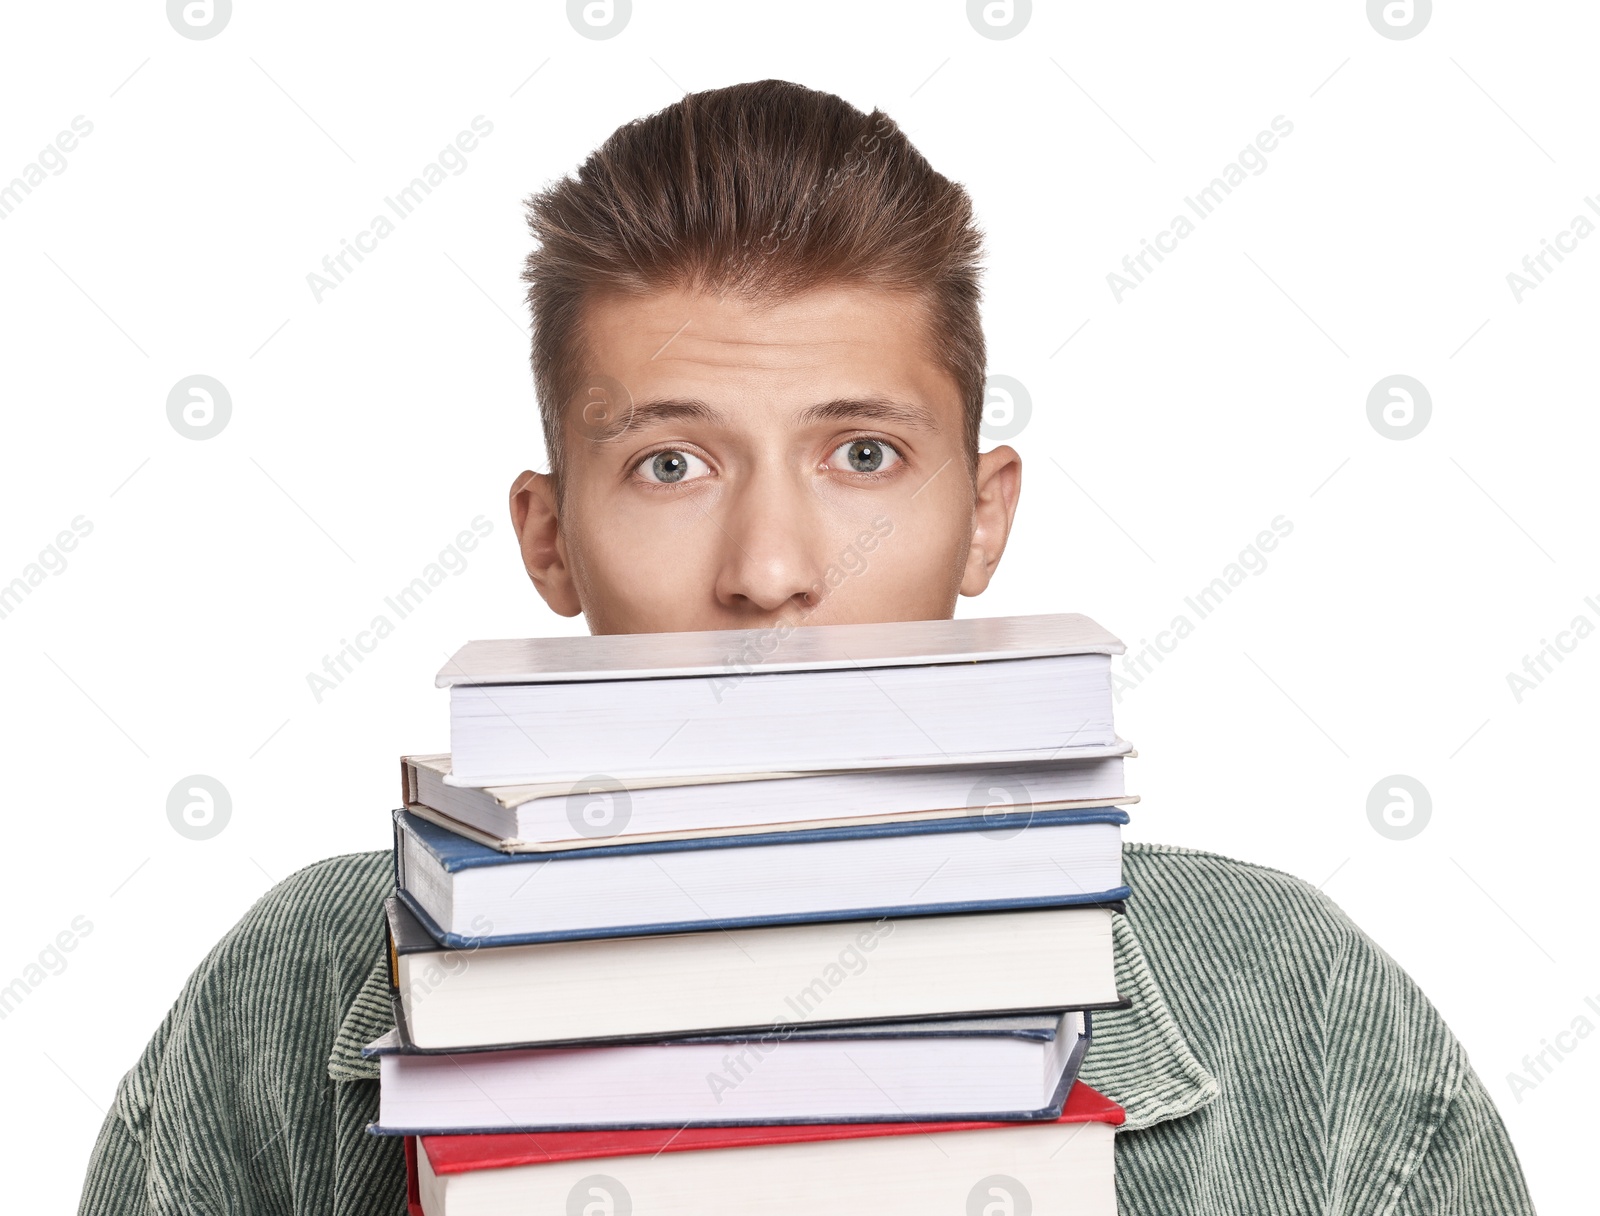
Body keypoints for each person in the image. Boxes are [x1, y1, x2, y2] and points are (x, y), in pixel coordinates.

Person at [78, 79, 1535, 1215]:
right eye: (670, 466)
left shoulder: (1302, 1011)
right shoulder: (289, 992)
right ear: (548, 538)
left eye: (861, 453)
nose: (774, 573)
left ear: (982, 517)